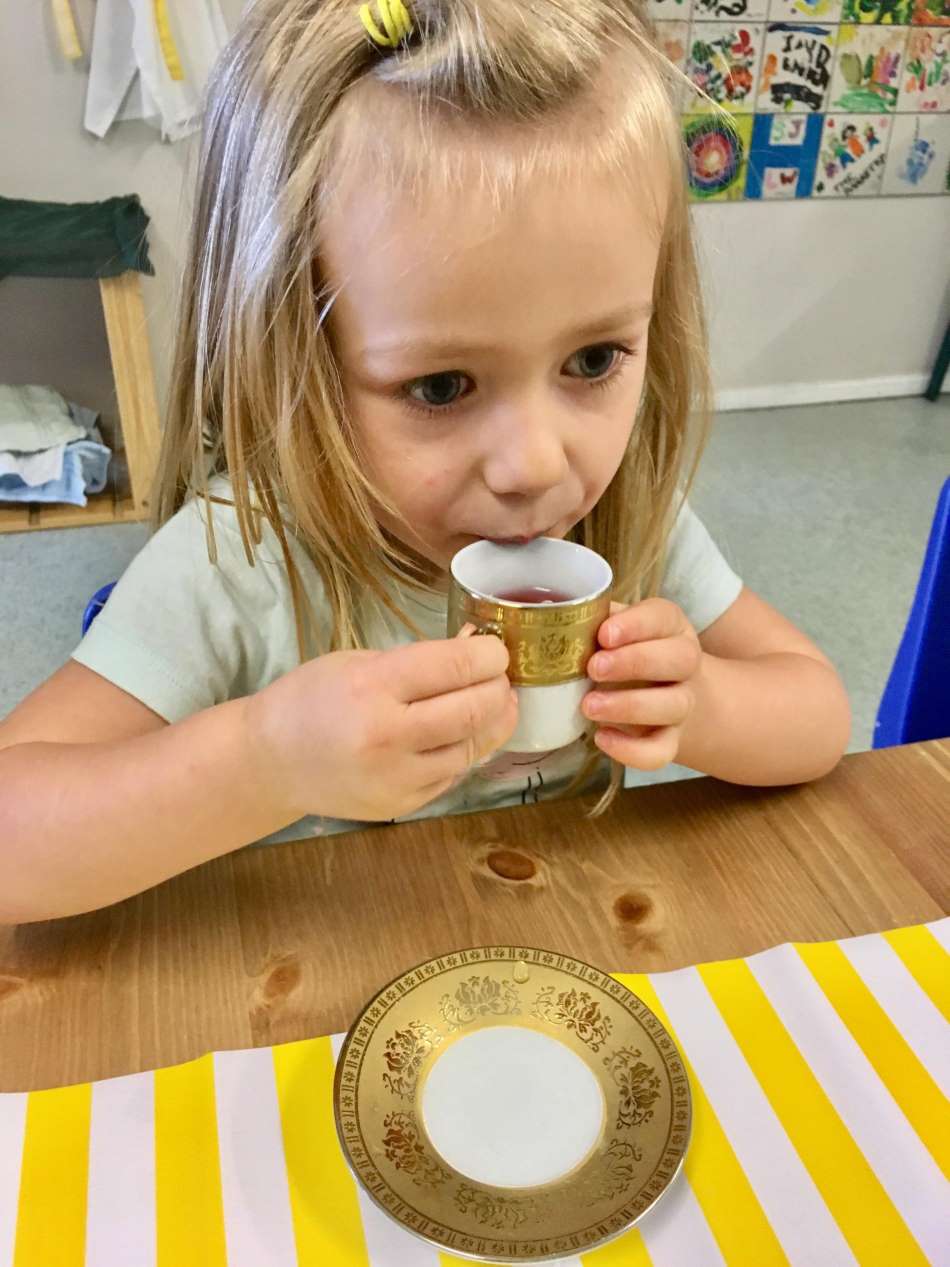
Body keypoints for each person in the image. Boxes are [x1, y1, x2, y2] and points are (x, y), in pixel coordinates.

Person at [0, 0, 850, 922]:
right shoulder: (235, 558)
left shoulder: (632, 527)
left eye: (594, 361)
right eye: (442, 387)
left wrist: (704, 706)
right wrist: (260, 759)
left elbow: (819, 716)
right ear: (296, 357)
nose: (533, 466)